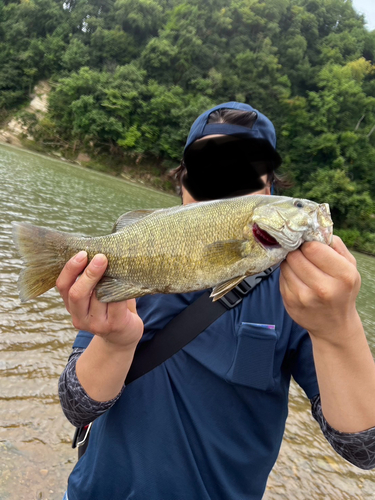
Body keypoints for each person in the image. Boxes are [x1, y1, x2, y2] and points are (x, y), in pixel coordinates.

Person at [58, 102, 375, 500]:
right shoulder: (134, 268)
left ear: (268, 189)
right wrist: (114, 341)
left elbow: (364, 450)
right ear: (183, 181)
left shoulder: (305, 297)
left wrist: (339, 329)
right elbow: (77, 408)